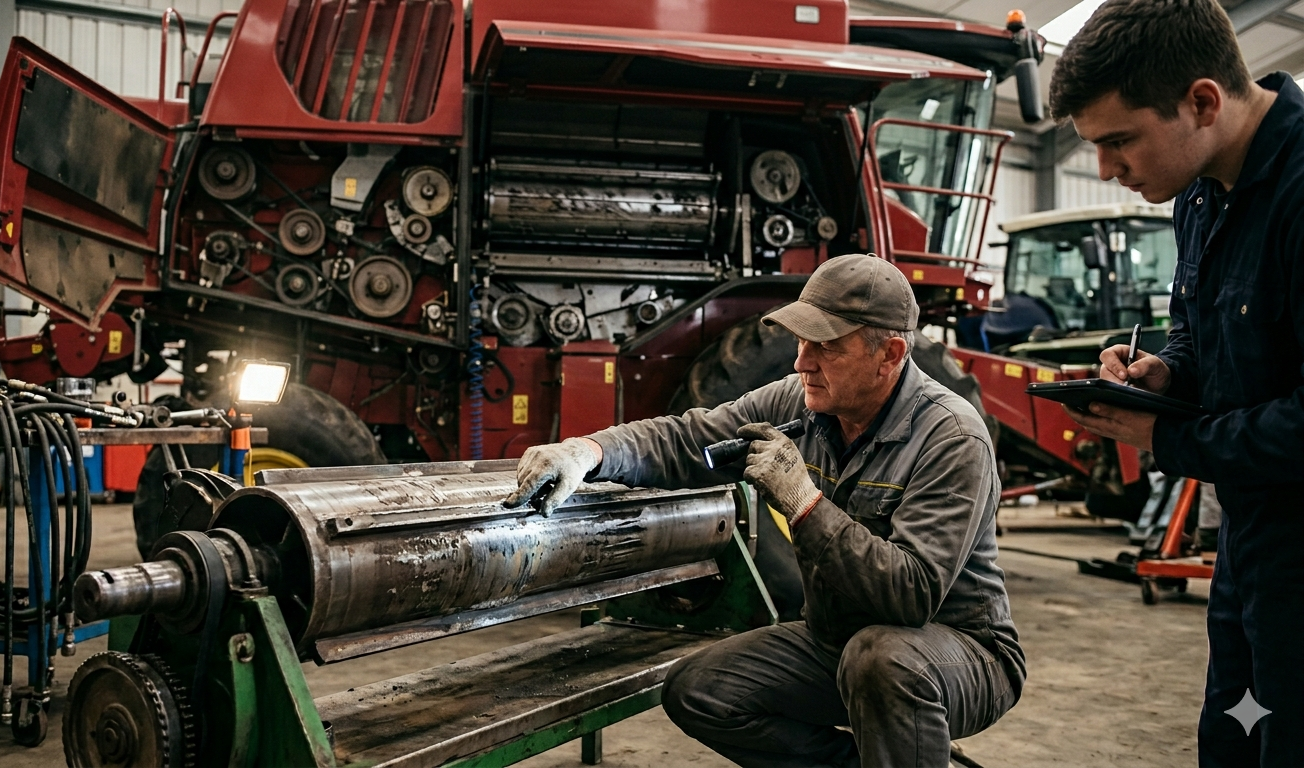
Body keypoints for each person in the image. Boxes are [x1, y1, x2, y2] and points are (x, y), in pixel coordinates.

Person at [506, 254, 1023, 767]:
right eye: (802, 342)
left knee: (882, 657)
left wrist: (803, 503)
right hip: (837, 642)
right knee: (700, 691)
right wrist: (588, 453)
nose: (802, 362)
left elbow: (909, 599)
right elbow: (689, 439)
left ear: (889, 354)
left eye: (825, 347)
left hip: (960, 653)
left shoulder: (952, 437)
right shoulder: (801, 400)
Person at [1050, 1, 1304, 764]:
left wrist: (1171, 437)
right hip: (1250, 536)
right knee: (1231, 739)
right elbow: (1199, 329)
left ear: (1201, 101)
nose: (1105, 170)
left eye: (1119, 141)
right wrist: (1163, 372)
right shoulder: (1199, 194)